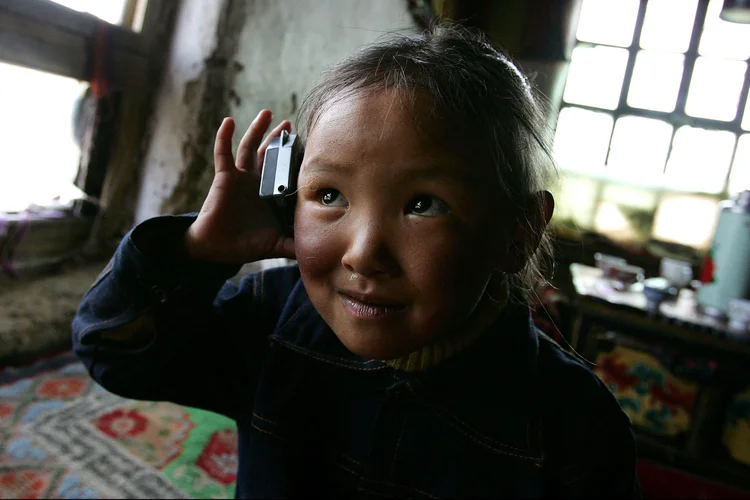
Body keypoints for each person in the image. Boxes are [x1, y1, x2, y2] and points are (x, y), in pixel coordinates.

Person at [72, 25, 640, 498]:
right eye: (329, 196)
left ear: (516, 234)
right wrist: (195, 254)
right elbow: (113, 352)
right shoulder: (272, 319)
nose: (364, 252)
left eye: (423, 205)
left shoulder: (572, 425)